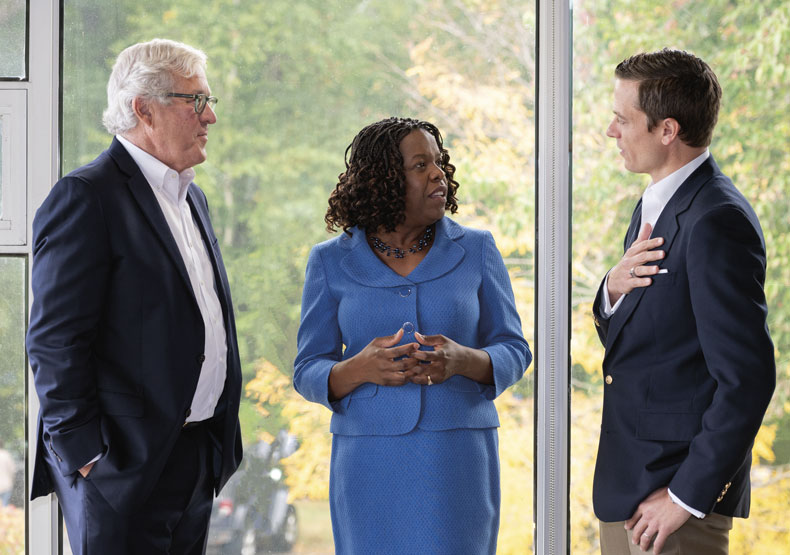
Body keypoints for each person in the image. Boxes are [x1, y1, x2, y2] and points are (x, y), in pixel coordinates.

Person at [26, 39, 243, 554]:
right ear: (143, 109)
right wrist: (87, 456)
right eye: (195, 101)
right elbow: (55, 341)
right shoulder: (86, 196)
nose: (209, 116)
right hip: (121, 469)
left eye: (208, 101)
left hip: (194, 455)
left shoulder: (193, 197)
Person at [294, 117, 531, 554]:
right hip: (369, 462)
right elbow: (308, 368)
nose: (439, 174)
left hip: (456, 457)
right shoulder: (329, 261)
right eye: (421, 165)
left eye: (439, 163)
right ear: (383, 180)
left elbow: (515, 349)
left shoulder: (477, 250)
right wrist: (358, 369)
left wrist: (464, 360)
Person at [592, 49, 775, 554]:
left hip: (675, 509)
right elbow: (648, 339)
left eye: (622, 119)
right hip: (629, 492)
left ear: (667, 130)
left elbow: (748, 379)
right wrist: (612, 288)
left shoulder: (717, 220)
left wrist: (685, 498)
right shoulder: (657, 202)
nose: (612, 131)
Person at [0, 441, 15, 506]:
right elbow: (12, 470)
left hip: (5, 485)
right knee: (4, 507)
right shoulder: (7, 455)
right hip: (6, 485)